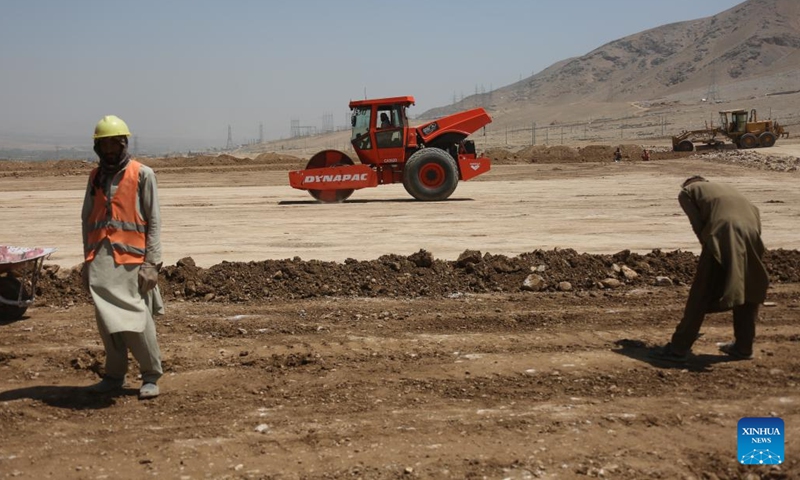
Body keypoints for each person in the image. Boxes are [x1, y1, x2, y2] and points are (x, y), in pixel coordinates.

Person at [81, 115, 165, 399]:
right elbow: (86, 221)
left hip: (132, 261)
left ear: (123, 143)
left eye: (113, 144)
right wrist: (87, 262)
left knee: (136, 321)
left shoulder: (142, 174)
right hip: (101, 261)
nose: (108, 151)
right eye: (103, 145)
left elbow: (153, 221)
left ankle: (151, 375)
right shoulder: (95, 177)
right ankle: (115, 375)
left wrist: (152, 263)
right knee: (107, 322)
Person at [650, 176, 768, 363]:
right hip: (752, 233)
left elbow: (698, 225)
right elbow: (754, 213)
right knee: (748, 289)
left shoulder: (687, 192)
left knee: (701, 292)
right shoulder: (725, 188)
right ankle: (744, 347)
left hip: (723, 231)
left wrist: (710, 249)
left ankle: (678, 349)